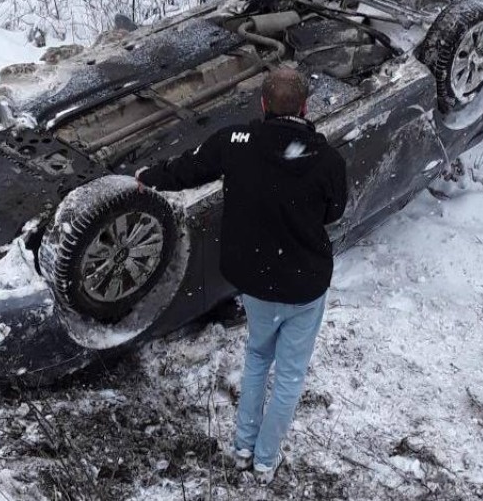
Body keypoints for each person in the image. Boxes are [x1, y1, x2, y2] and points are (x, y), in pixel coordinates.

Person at [136, 68, 347, 484]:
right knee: (288, 375)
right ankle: (266, 460)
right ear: (305, 107)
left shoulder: (235, 143)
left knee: (256, 359)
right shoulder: (327, 160)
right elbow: (333, 211)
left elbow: (187, 169)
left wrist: (147, 178)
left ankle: (243, 447)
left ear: (263, 105)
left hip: (256, 279)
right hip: (304, 285)